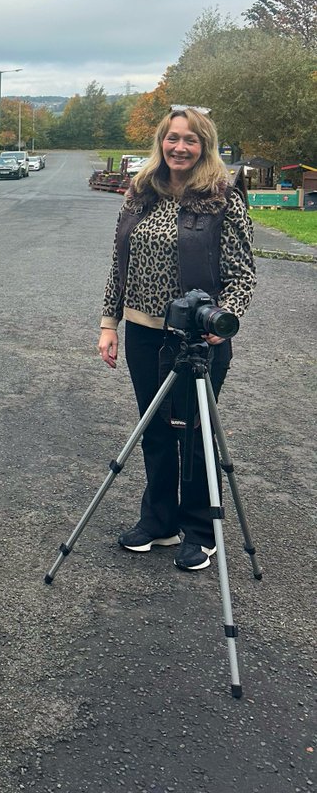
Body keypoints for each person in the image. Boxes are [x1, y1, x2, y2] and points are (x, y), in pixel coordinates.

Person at [98, 107, 256, 571]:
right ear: (161, 143)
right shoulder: (139, 193)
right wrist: (109, 324)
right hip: (143, 334)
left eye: (190, 140)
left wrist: (223, 317)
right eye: (172, 138)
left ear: (204, 145)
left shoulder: (222, 198)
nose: (179, 147)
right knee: (155, 430)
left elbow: (243, 275)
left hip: (197, 338)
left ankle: (201, 531)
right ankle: (161, 521)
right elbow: (117, 264)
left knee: (195, 433)